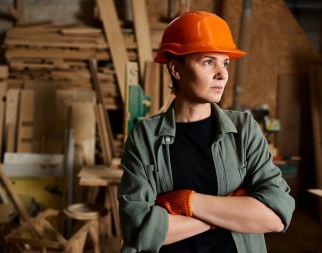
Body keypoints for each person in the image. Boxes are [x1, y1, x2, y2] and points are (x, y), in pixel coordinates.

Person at [117, 10, 295, 253]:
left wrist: (188, 202)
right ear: (176, 70)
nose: (222, 74)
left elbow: (276, 216)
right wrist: (233, 209)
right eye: (208, 62)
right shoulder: (145, 137)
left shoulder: (244, 130)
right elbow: (139, 230)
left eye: (225, 63)